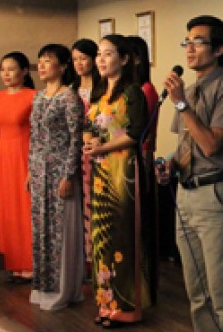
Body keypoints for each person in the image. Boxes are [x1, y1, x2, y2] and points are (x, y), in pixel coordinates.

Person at [161, 15, 223, 331]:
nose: (189, 48)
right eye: (187, 41)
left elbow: (212, 146)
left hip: (215, 196)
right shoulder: (189, 89)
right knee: (197, 293)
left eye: (198, 41)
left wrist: (183, 105)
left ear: (219, 49)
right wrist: (170, 165)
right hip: (185, 193)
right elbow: (186, 141)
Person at [82, 34, 150, 328]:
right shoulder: (98, 94)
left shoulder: (132, 92)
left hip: (123, 174)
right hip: (99, 174)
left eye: (108, 54)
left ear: (124, 59)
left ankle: (125, 308)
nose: (101, 59)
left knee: (121, 239)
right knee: (101, 241)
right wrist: (88, 142)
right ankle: (105, 304)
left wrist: (101, 147)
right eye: (99, 53)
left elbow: (136, 133)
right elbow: (88, 126)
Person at [28, 44, 86, 311]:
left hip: (61, 170)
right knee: (41, 228)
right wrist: (30, 170)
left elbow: (76, 139)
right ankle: (43, 287)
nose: (41, 66)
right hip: (39, 170)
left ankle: (64, 289)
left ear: (63, 66)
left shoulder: (70, 98)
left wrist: (69, 175)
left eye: (47, 61)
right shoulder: (39, 97)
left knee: (60, 230)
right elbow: (34, 137)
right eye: (39, 61)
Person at [0, 52, 36, 282]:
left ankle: (31, 263)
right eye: (3, 69)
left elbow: (38, 135)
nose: (6, 74)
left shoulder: (34, 96)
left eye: (11, 69)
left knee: (26, 207)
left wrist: (34, 166)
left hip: (24, 155)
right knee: (7, 209)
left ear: (24, 71)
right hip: (4, 157)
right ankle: (12, 262)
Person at [127, 35, 161, 304]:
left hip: (139, 160)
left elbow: (140, 133)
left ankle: (144, 290)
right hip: (123, 160)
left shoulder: (146, 90)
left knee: (140, 228)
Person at [71, 38, 100, 272]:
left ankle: (92, 259)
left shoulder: (102, 90)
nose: (79, 64)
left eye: (83, 58)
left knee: (92, 204)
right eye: (75, 59)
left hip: (94, 153)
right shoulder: (70, 89)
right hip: (72, 152)